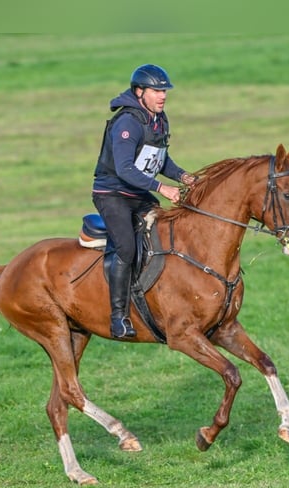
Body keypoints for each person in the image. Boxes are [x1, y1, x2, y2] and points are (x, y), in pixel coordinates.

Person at [92, 64, 197, 339]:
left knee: (165, 233)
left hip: (137, 193)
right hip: (113, 194)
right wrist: (163, 188)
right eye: (156, 90)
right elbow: (126, 169)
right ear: (139, 92)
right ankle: (118, 318)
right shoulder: (127, 122)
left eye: (164, 90)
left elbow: (160, 160)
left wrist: (183, 176)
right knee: (126, 249)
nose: (162, 96)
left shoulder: (159, 119)